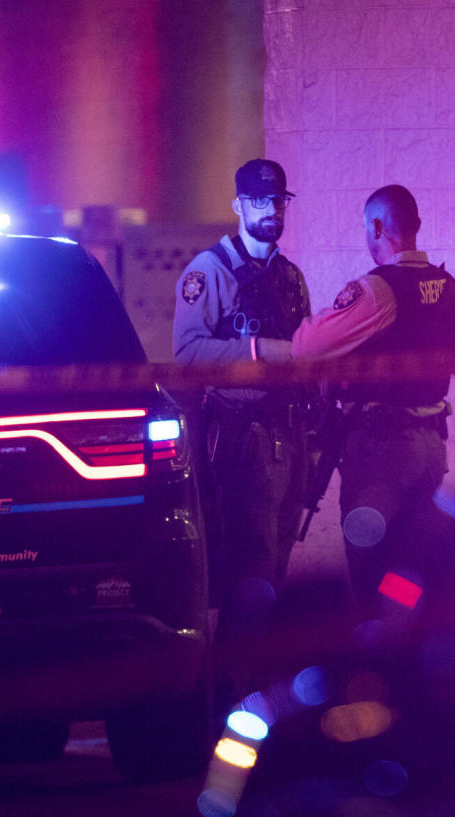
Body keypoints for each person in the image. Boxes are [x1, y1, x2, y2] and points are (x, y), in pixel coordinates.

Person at [290, 184, 455, 614]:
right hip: (431, 445)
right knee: (413, 572)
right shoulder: (448, 287)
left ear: (377, 226)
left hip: (382, 450)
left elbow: (305, 346)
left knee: (370, 570)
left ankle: (375, 671)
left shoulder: (377, 290)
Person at [171, 159, 312, 693]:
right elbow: (187, 355)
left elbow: (310, 352)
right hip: (243, 436)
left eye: (277, 201)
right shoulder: (208, 272)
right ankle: (231, 691)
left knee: (275, 563)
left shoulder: (289, 277)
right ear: (238, 206)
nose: (270, 210)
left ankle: (257, 684)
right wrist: (263, 352)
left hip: (291, 432)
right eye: (259, 201)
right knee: (251, 567)